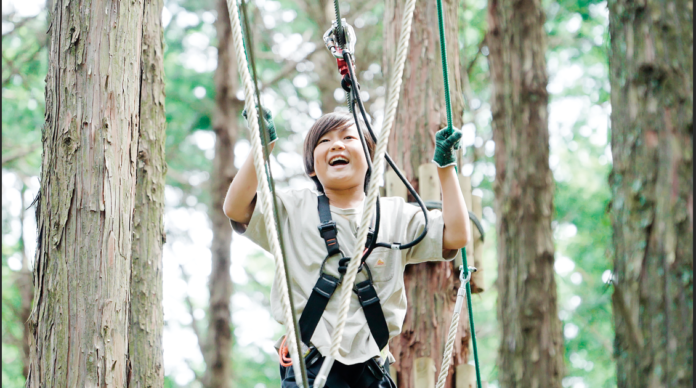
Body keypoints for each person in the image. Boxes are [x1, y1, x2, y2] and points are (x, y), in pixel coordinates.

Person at [223, 109, 471, 387]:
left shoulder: (394, 215)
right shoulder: (292, 209)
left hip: (372, 370)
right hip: (311, 365)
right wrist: (262, 148)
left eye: (349, 137)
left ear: (371, 159)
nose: (337, 144)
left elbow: (456, 235)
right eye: (324, 141)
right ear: (312, 168)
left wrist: (446, 169)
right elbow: (235, 208)